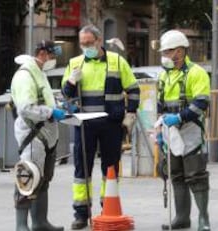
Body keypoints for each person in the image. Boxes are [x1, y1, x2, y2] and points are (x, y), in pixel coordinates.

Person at [61, 24, 140, 230]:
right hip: (84, 124)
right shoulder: (75, 63)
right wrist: (70, 81)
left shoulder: (116, 61)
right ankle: (81, 213)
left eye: (89, 43)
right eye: (82, 43)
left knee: (110, 168)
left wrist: (130, 113)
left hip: (111, 124)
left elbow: (133, 89)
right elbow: (66, 94)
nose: (85, 47)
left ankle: (109, 208)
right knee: (81, 170)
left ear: (98, 41)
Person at [156, 30, 211, 231]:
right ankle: (182, 218)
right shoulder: (163, 76)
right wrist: (159, 131)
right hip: (170, 132)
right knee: (176, 175)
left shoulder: (197, 73)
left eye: (168, 51)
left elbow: (201, 103)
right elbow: (159, 106)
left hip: (191, 131)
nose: (165, 56)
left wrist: (179, 117)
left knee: (196, 176)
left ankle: (204, 219)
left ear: (179, 51)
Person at [10, 40, 65, 231]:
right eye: (52, 55)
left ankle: (40, 222)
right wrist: (51, 113)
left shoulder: (39, 72)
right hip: (33, 135)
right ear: (42, 53)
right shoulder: (25, 75)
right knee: (28, 177)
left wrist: (60, 107)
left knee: (43, 178)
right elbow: (25, 108)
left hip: (46, 134)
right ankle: (21, 225)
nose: (53, 60)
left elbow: (45, 99)